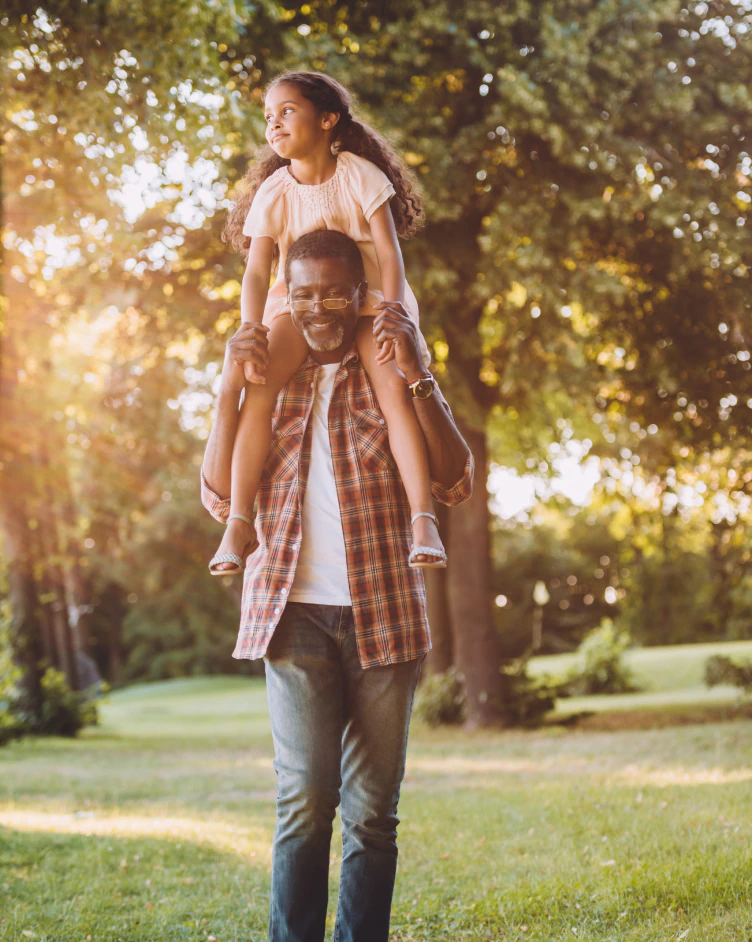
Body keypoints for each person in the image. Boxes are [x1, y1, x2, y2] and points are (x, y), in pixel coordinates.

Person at [200, 229, 473, 942]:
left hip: (385, 610)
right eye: (303, 292)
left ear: (359, 295)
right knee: (304, 801)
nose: (318, 306)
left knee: (373, 811)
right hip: (291, 610)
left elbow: (453, 477)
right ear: (288, 296)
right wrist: (227, 384)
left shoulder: (386, 358)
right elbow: (215, 489)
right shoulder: (272, 369)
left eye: (334, 291)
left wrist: (419, 375)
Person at [209, 70, 447, 576]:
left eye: (287, 111)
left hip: (370, 299)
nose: (274, 124)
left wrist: (395, 310)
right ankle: (239, 521)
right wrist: (251, 329)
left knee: (393, 388)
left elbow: (388, 250)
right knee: (260, 388)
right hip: (297, 305)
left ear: (328, 118)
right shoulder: (274, 191)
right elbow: (256, 271)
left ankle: (423, 519)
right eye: (268, 117)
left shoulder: (360, 175)